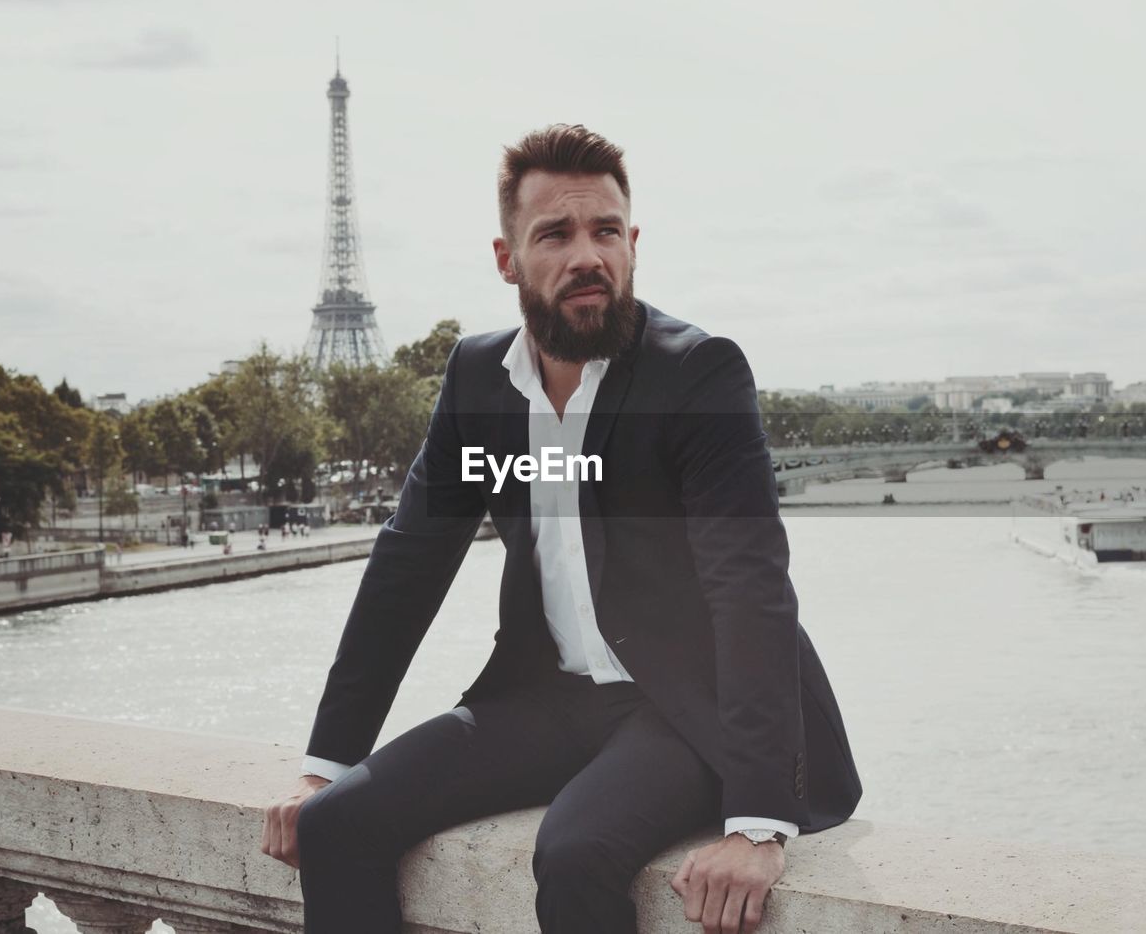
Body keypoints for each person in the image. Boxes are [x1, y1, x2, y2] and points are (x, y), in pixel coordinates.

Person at [261, 124, 860, 934]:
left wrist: (757, 821)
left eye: (606, 231)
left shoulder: (697, 372)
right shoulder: (478, 377)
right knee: (334, 825)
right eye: (557, 234)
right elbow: (409, 565)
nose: (589, 256)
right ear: (508, 259)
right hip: (542, 695)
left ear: (633, 243)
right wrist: (324, 764)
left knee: (575, 850)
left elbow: (748, 586)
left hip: (684, 702)